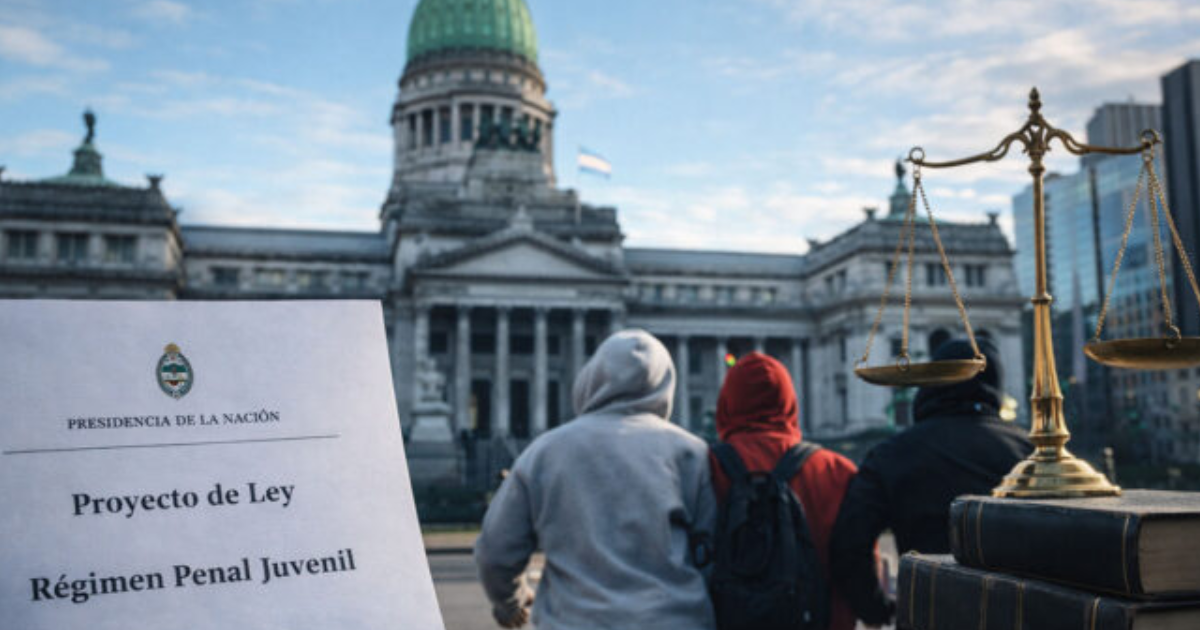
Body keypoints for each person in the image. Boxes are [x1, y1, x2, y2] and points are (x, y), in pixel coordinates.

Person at [474, 329, 717, 630]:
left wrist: (510, 604)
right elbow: (713, 553)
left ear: (593, 376)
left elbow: (495, 550)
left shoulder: (545, 452)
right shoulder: (692, 453)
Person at [829, 337, 1033, 626]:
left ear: (932, 381)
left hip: (929, 615)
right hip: (1018, 617)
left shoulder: (892, 454)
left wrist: (878, 610)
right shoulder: (1031, 453)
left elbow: (849, 544)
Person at [710, 352, 865, 630]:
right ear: (790, 401)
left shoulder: (704, 467)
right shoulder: (837, 471)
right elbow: (858, 567)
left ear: (726, 403)